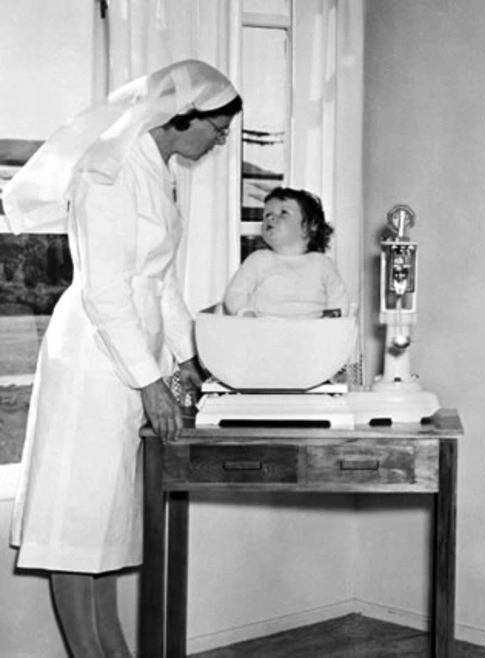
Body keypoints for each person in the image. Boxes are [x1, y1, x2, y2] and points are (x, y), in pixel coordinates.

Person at [3, 59, 242, 657]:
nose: (221, 139)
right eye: (217, 127)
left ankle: (113, 650)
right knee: (75, 522)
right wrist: (150, 385)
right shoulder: (105, 170)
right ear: (182, 116)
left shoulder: (157, 171)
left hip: (134, 353)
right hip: (94, 356)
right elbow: (106, 292)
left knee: (107, 524)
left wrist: (190, 362)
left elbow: (162, 285)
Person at [223, 187, 348, 319]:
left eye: (283, 212)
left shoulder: (323, 264)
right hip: (264, 331)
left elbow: (339, 299)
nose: (270, 218)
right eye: (267, 215)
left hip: (311, 332)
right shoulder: (258, 260)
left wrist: (331, 323)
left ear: (311, 225)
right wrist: (244, 312)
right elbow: (235, 294)